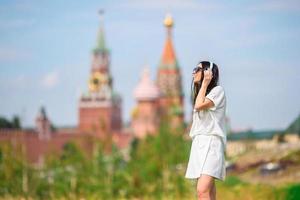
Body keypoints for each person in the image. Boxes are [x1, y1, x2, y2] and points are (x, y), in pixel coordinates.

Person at [185, 60, 227, 200]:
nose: (193, 72)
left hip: (212, 143)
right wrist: (202, 87)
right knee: (208, 192)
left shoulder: (218, 91)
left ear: (208, 73)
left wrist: (204, 83)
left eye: (197, 69)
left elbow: (198, 105)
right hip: (199, 144)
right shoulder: (201, 94)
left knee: (202, 190)